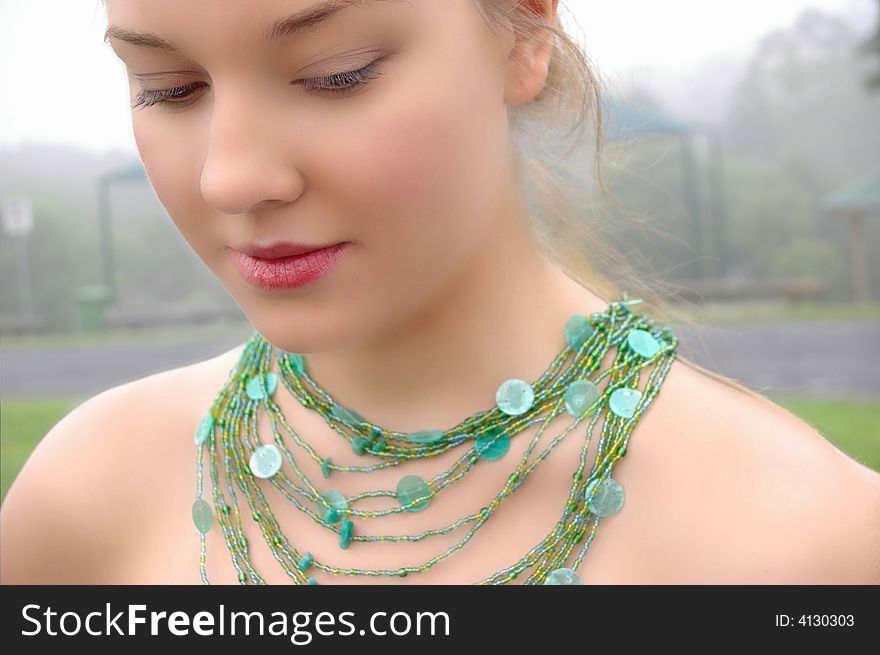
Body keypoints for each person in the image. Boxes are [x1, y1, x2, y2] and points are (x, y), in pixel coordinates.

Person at [1, 0, 877, 585]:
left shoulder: (805, 546)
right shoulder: (83, 499)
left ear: (527, 30)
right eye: (170, 88)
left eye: (336, 72)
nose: (231, 177)